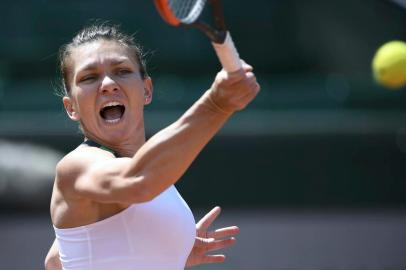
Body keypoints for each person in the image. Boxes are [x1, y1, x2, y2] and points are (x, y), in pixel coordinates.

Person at [44, 23, 260, 270]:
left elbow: (54, 262)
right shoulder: (76, 167)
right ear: (71, 107)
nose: (107, 84)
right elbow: (138, 180)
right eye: (89, 77)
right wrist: (217, 104)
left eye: (122, 71)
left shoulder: (154, 171)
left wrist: (164, 250)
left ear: (146, 90)